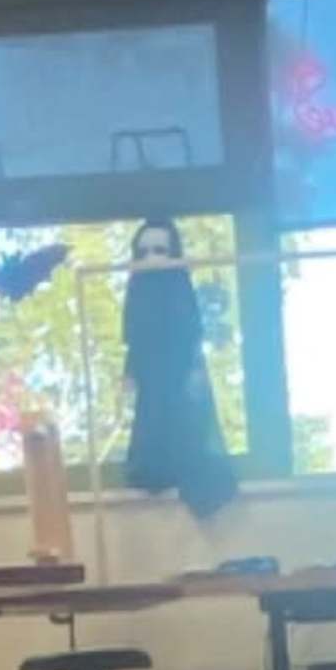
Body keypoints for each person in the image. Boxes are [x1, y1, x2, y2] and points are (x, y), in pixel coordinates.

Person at [117, 215, 238, 517]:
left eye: (159, 250)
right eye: (143, 252)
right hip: (150, 372)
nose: (152, 259)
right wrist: (130, 370)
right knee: (151, 416)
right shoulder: (137, 289)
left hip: (178, 366)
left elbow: (190, 330)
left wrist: (194, 368)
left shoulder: (179, 285)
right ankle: (153, 468)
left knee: (184, 419)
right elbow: (133, 335)